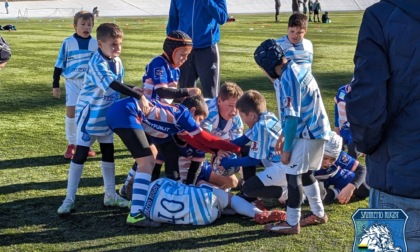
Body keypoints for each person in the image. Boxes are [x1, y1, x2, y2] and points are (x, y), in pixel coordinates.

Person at [345, 0, 420, 249]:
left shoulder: (382, 16)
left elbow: (368, 100)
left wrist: (366, 140)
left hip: (399, 182)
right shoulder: (383, 16)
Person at [106, 95, 242, 226]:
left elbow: (196, 142)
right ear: (193, 111)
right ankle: (135, 215)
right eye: (199, 119)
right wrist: (237, 149)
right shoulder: (183, 115)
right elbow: (205, 138)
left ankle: (126, 190)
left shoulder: (177, 123)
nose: (199, 124)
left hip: (121, 111)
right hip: (126, 111)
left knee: (150, 156)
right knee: (146, 161)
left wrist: (216, 151)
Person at [57, 23, 147, 216]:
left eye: (120, 44)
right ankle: (69, 199)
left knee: (108, 152)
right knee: (80, 154)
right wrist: (137, 96)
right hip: (90, 115)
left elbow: (119, 84)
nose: (118, 48)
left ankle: (110, 195)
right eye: (113, 44)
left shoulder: (117, 61)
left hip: (106, 115)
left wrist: (134, 89)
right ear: (100, 44)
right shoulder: (97, 62)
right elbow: (113, 83)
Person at [254, 39, 330, 235]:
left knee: (292, 175)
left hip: (306, 133)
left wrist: (287, 148)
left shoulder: (288, 79)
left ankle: (291, 222)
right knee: (306, 173)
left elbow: (293, 117)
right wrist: (283, 134)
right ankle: (319, 213)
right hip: (318, 130)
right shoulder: (296, 68)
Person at [140, 30, 201, 181]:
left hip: (160, 116)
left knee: (159, 154)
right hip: (148, 114)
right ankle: (170, 186)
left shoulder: (175, 69)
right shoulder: (159, 63)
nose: (185, 59)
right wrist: (187, 91)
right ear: (170, 50)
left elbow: (170, 98)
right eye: (182, 54)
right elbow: (162, 92)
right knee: (158, 154)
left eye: (187, 55)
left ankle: (136, 185)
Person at [216, 90, 289, 214]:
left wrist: (229, 163)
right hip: (283, 163)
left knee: (248, 188)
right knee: (245, 149)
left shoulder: (261, 126)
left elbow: (253, 160)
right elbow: (241, 141)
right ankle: (251, 196)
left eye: (243, 116)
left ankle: (286, 194)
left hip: (284, 168)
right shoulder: (266, 117)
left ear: (251, 115)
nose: (243, 120)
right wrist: (218, 149)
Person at [123, 177, 286, 226]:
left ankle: (227, 209)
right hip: (204, 200)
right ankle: (257, 213)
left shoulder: (140, 211)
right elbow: (183, 186)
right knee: (230, 199)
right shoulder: (158, 182)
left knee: (222, 207)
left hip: (203, 219)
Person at [52, 11, 97, 159]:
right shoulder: (68, 42)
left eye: (89, 25)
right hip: (72, 82)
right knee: (71, 112)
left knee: (88, 114)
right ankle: (71, 144)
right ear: (74, 26)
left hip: (90, 84)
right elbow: (59, 64)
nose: (86, 27)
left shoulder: (95, 43)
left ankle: (84, 144)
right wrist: (56, 85)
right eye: (83, 24)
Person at [166, 0, 228, 98]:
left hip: (207, 48)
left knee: (211, 95)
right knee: (184, 94)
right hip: (184, 49)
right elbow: (173, 20)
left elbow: (222, 18)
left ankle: (211, 113)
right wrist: (171, 46)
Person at [314, 131, 369, 204]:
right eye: (325, 158)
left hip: (335, 174)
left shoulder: (340, 155)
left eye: (333, 159)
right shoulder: (308, 156)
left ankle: (337, 192)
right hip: (315, 179)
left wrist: (351, 187)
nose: (328, 163)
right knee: (319, 197)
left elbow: (361, 169)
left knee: (364, 190)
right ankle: (336, 193)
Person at [333, 81, 358, 159]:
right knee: (338, 151)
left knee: (352, 149)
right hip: (342, 128)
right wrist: (336, 125)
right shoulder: (341, 90)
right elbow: (337, 108)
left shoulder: (363, 93)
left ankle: (353, 170)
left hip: (355, 129)